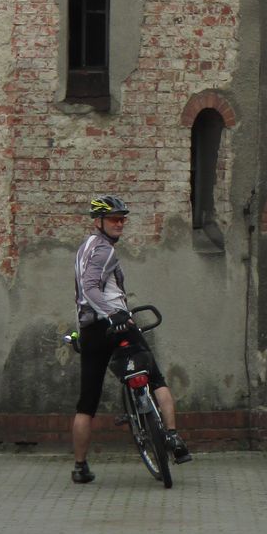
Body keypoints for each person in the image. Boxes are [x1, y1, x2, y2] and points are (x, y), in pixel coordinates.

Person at [71, 194, 190, 483]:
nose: (120, 224)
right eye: (114, 219)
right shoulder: (104, 251)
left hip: (89, 330)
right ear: (98, 222)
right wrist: (113, 314)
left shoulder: (84, 249)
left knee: (87, 404)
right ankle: (173, 436)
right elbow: (89, 288)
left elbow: (82, 292)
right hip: (116, 324)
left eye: (123, 219)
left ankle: (80, 467)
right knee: (156, 378)